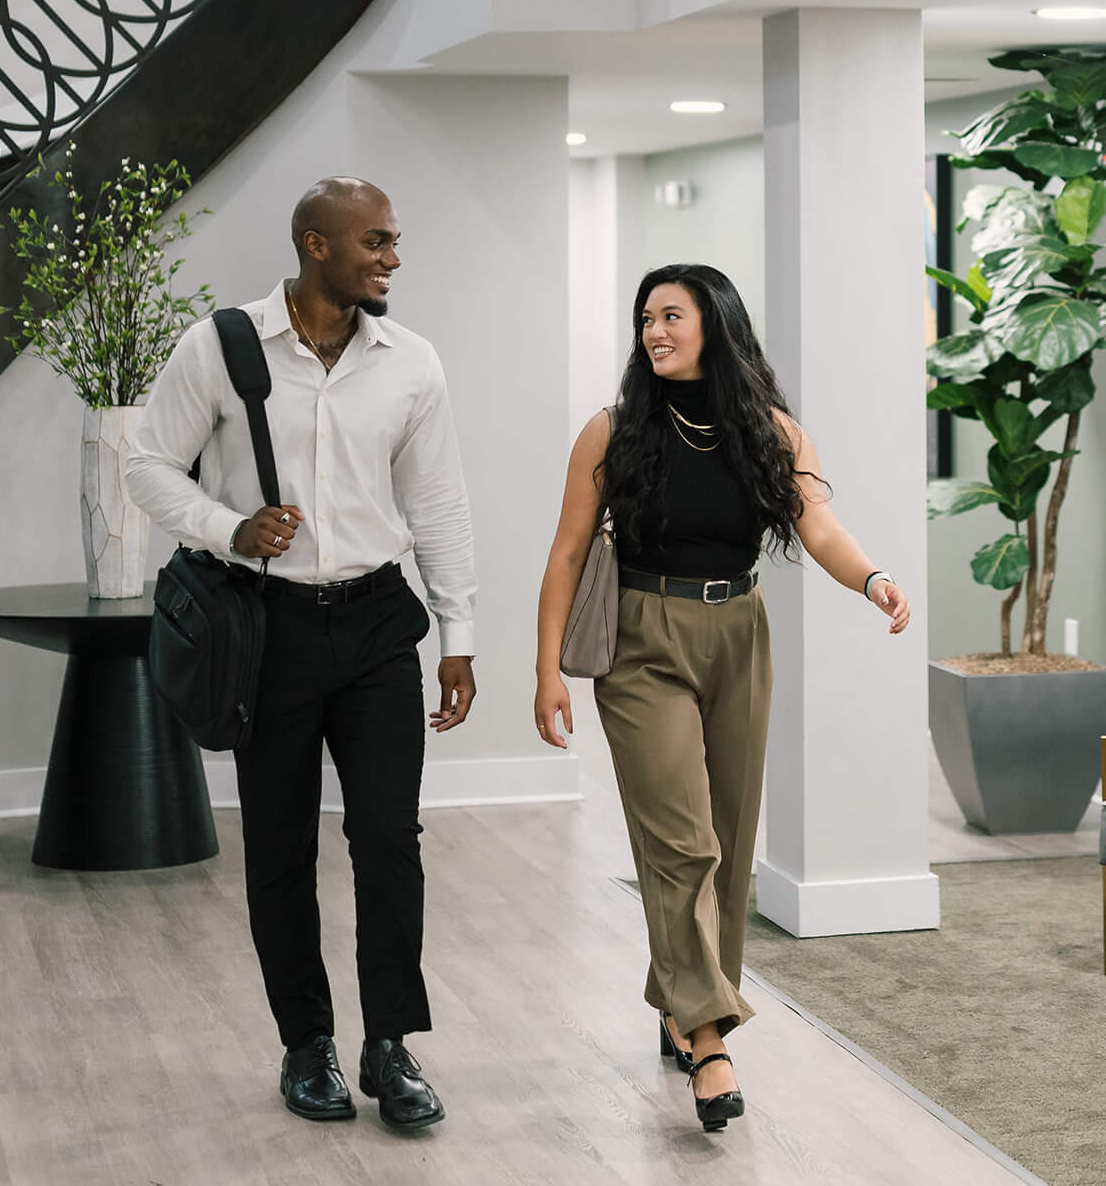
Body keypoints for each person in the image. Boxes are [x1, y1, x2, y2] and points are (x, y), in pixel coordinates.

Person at [127, 177, 476, 1132]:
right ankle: (306, 1043)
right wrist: (227, 527)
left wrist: (460, 633)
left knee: (388, 841)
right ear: (315, 244)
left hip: (374, 627)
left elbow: (439, 503)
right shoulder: (225, 345)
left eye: (395, 242)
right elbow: (148, 461)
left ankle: (390, 1045)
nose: (392, 258)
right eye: (376, 242)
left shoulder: (412, 362)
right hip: (266, 630)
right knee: (278, 847)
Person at [533, 263, 908, 1132]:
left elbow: (817, 524)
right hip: (640, 639)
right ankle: (710, 1038)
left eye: (672, 314)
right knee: (681, 843)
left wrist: (874, 578)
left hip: (739, 631)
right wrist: (546, 668)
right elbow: (565, 552)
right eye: (645, 318)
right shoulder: (612, 429)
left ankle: (684, 1000)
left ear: (716, 323)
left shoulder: (772, 431)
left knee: (731, 841)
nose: (654, 330)